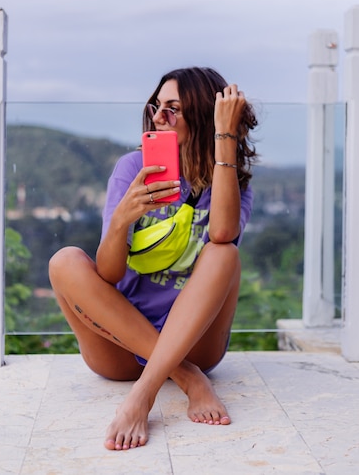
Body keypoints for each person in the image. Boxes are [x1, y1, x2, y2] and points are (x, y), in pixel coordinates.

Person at [49, 66, 257, 451]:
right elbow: (109, 275)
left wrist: (224, 138)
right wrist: (120, 222)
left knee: (223, 253)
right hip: (121, 347)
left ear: (205, 115)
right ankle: (187, 378)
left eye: (173, 108)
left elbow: (223, 235)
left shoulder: (230, 182)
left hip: (194, 342)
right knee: (64, 260)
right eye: (156, 106)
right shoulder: (133, 168)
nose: (159, 117)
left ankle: (143, 395)